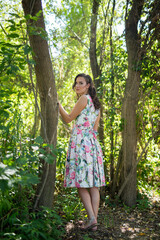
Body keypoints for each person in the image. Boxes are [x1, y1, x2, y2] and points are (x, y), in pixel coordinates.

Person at [58, 73, 105, 231]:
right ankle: (94, 222)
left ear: (88, 85)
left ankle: (92, 219)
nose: (77, 85)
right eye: (76, 83)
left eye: (81, 83)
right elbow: (95, 130)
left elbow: (69, 118)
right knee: (93, 186)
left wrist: (58, 104)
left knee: (81, 184)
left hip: (81, 144)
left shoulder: (84, 99)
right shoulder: (96, 106)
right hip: (92, 144)